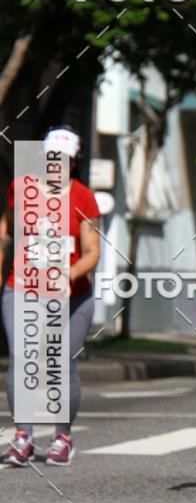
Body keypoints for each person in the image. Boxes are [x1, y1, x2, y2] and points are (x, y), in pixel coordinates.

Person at [3, 126, 100, 466]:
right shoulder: (21, 188)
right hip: (22, 287)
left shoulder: (83, 197)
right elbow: (6, 231)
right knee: (22, 357)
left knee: (61, 363)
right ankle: (23, 436)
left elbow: (92, 252)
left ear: (74, 162)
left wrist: (69, 274)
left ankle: (63, 436)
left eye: (64, 159)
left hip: (73, 296)